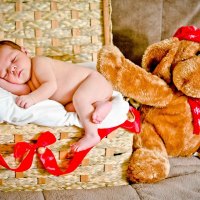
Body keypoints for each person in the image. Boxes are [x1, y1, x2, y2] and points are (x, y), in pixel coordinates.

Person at [0, 40, 113, 152]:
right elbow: (21, 90)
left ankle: (92, 135)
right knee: (70, 108)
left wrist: (32, 98)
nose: (12, 69)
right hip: (92, 93)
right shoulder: (28, 85)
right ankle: (100, 105)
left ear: (24, 51)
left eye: (13, 60)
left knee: (80, 99)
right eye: (5, 73)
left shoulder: (38, 63)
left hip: (93, 80)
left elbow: (50, 86)